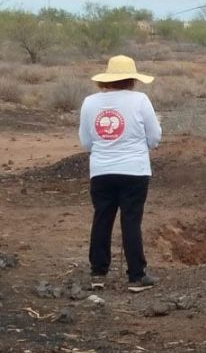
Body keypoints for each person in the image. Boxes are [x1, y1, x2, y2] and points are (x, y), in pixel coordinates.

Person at [78, 55, 162, 292]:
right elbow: (154, 137)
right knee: (131, 220)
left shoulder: (90, 102)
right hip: (134, 171)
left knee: (102, 218)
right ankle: (136, 276)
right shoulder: (140, 100)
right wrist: (138, 147)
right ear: (132, 79)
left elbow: (86, 142)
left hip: (102, 171)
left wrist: (105, 152)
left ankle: (98, 273)